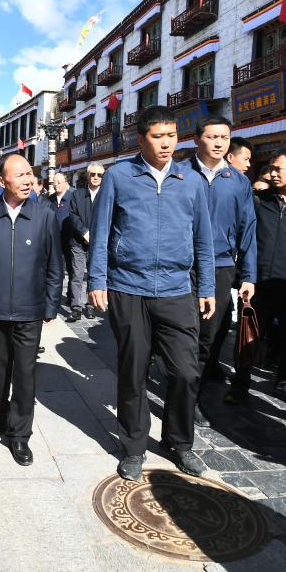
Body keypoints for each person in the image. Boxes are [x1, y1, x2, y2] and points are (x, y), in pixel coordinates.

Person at [88, 105, 216, 482]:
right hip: (129, 287)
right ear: (140, 139)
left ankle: (179, 442)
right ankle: (132, 447)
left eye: (172, 136)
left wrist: (206, 286)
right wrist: (98, 280)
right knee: (133, 372)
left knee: (185, 372)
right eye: (158, 136)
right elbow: (103, 232)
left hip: (177, 290)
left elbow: (203, 239)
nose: (166, 144)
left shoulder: (190, 180)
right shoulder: (119, 176)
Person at [0, 153, 62, 466]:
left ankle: (20, 435)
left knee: (25, 373)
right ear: (2, 181)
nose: (27, 180)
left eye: (29, 174)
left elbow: (55, 265)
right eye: (18, 175)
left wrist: (50, 303)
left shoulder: (45, 214)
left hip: (30, 310)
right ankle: (0, 410)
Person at [226, 148, 286, 408]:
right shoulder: (259, 201)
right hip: (257, 284)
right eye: (271, 169)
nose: (272, 173)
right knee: (248, 337)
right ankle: (240, 385)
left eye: (278, 169)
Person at [188, 116, 256, 428]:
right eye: (212, 136)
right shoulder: (179, 173)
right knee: (179, 337)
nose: (218, 143)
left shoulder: (238, 181)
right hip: (180, 267)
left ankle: (192, 401)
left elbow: (248, 231)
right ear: (196, 139)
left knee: (208, 339)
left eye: (224, 137)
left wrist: (248, 276)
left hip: (219, 268)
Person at [68, 163, 103, 321]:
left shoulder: (105, 195)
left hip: (98, 243)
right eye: (93, 174)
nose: (96, 177)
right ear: (88, 176)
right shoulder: (77, 194)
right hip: (78, 242)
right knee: (77, 275)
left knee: (92, 275)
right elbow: (73, 216)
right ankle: (75, 307)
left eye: (99, 175)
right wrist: (84, 232)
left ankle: (90, 306)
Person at [48, 171, 79, 322]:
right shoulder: (51, 199)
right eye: (54, 182)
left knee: (74, 271)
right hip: (56, 241)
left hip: (72, 240)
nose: (56, 184)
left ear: (66, 183)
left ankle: (74, 301)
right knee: (57, 272)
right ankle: (55, 299)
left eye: (59, 181)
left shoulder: (74, 197)